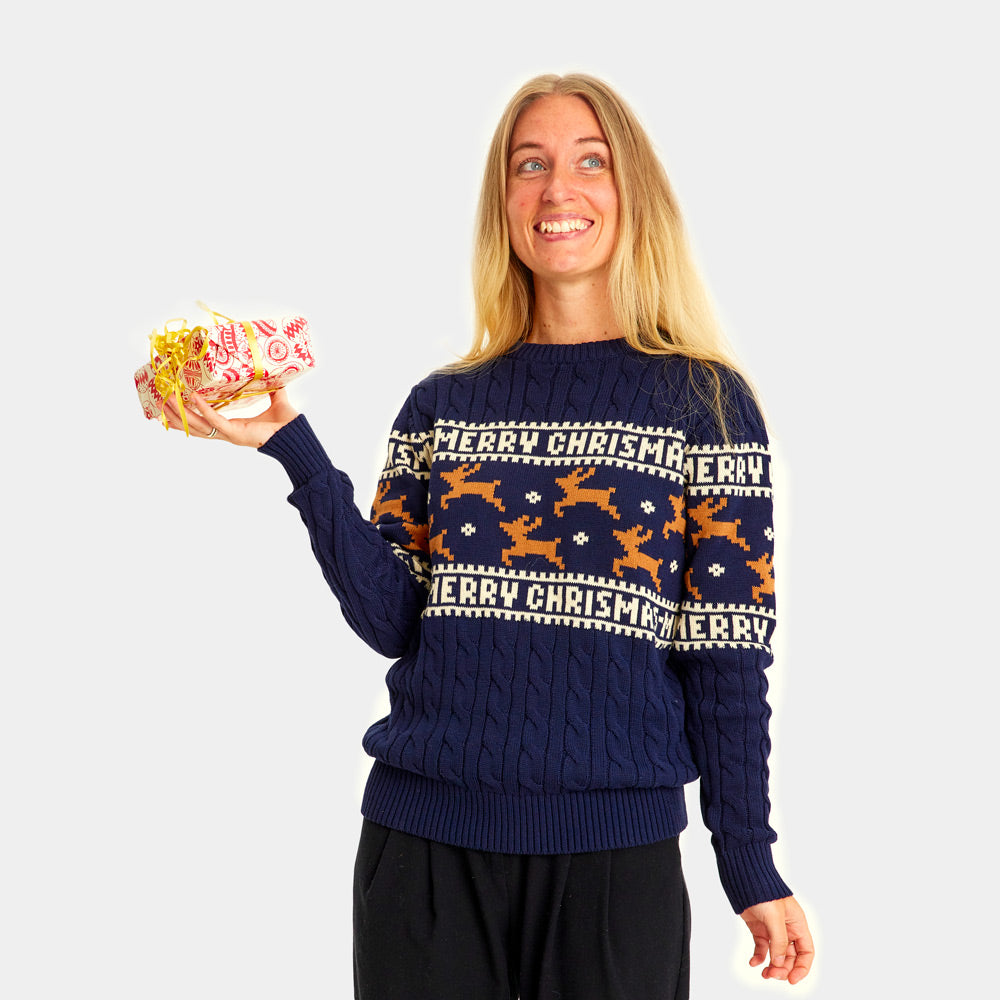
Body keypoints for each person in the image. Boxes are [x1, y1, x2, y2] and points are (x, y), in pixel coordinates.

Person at [161, 73, 814, 999]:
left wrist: (748, 861)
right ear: (503, 202)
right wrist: (293, 448)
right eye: (529, 165)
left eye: (591, 162)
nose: (558, 189)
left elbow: (728, 655)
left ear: (633, 190)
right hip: (423, 855)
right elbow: (394, 621)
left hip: (613, 862)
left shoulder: (705, 403)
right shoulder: (443, 404)